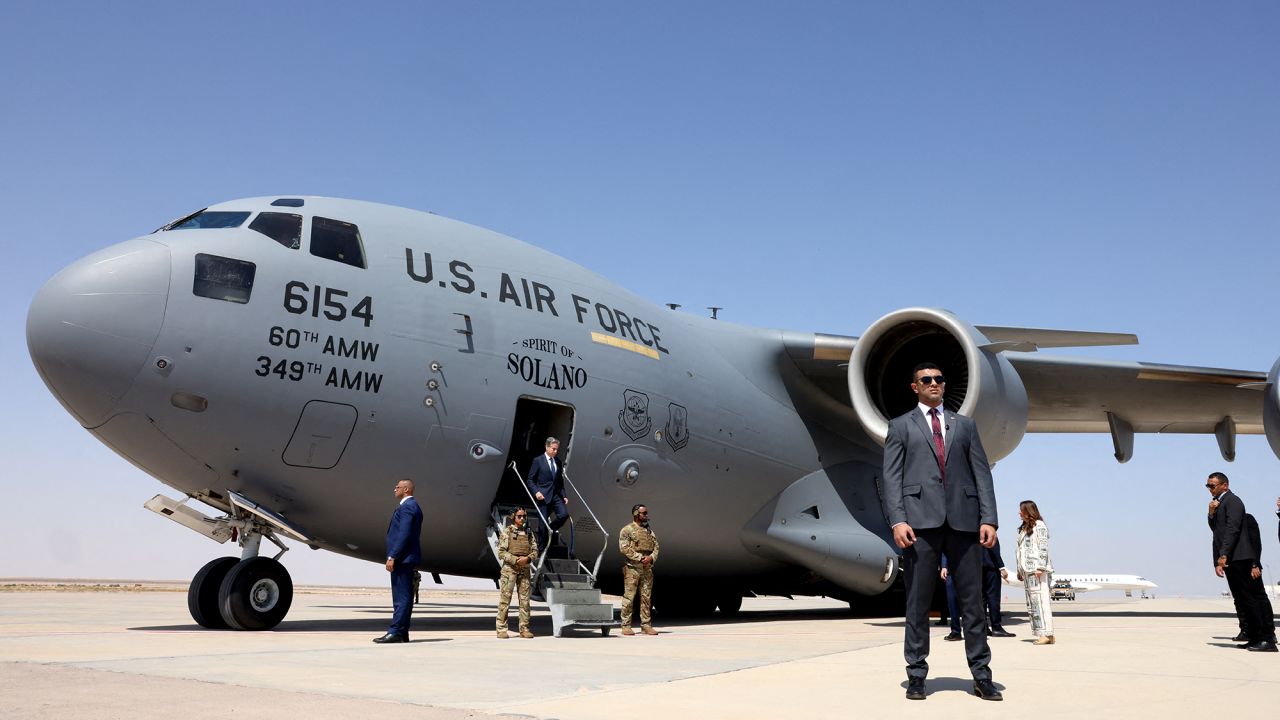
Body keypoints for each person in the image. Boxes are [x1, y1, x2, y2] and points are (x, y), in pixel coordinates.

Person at [881, 362, 1001, 701]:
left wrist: (988, 518)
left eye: (939, 379)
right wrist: (897, 520)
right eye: (926, 380)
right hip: (919, 524)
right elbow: (891, 478)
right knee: (917, 604)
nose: (934, 383)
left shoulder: (965, 426)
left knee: (973, 604)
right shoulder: (900, 426)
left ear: (945, 386)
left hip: (964, 523)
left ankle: (981, 674)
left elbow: (982, 474)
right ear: (914, 387)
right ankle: (917, 674)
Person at [1206, 472, 1277, 652]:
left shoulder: (1233, 501)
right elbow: (1217, 531)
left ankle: (1266, 638)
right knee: (1243, 599)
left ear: (1225, 485)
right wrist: (1211, 513)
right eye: (1208, 486)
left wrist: (1224, 554)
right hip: (1232, 558)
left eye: (1212, 485)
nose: (1209, 489)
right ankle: (1254, 637)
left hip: (1239, 557)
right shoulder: (1219, 504)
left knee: (1252, 598)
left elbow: (1233, 529)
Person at [375, 478, 423, 644]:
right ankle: (402, 632)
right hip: (405, 558)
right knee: (405, 597)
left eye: (398, 487)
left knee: (401, 598)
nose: (394, 489)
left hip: (402, 558)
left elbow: (404, 534)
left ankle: (396, 631)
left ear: (407, 490)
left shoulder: (408, 507)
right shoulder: (410, 507)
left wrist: (392, 556)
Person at [1015, 500, 1055, 646]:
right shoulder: (1024, 528)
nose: (1019, 513)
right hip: (1027, 570)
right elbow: (1021, 550)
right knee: (1033, 604)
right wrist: (1020, 569)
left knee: (1040, 601)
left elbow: (1043, 547)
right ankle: (1045, 634)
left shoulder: (1039, 525)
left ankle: (1045, 634)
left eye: (1021, 510)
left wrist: (1041, 567)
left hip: (1037, 570)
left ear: (1028, 511)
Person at [496, 509, 540, 639]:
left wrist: (528, 559)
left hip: (524, 570)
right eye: (519, 516)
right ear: (513, 517)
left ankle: (524, 628)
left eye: (524, 516)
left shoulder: (528, 533)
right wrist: (516, 560)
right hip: (509, 570)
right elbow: (502, 552)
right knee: (505, 600)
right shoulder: (507, 532)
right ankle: (502, 629)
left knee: (525, 601)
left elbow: (535, 551)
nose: (522, 519)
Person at [619, 504, 659, 636]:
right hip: (632, 569)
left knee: (646, 597)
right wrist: (640, 558)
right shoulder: (627, 530)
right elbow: (624, 548)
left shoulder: (649, 532)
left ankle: (646, 625)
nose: (646, 515)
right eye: (644, 513)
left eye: (646, 513)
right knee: (629, 597)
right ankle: (626, 625)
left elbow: (656, 547)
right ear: (636, 514)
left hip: (647, 569)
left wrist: (651, 558)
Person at [527, 437, 569, 548]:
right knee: (542, 524)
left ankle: (550, 529)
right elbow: (530, 480)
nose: (555, 451)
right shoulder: (538, 461)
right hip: (543, 496)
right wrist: (536, 492)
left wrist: (564, 496)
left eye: (557, 449)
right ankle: (540, 549)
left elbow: (560, 481)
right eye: (553, 449)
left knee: (564, 515)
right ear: (546, 447)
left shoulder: (558, 462)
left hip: (555, 495)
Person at [983, 539, 1015, 637]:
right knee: (993, 598)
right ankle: (996, 627)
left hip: (977, 568)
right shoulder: (989, 531)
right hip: (991, 568)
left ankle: (983, 628)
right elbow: (994, 549)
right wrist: (1001, 567)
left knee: (981, 600)